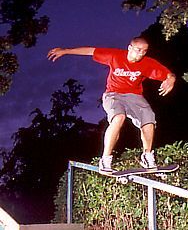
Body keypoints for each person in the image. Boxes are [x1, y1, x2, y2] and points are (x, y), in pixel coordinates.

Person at [47, 36, 176, 172]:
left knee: (149, 120)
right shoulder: (115, 55)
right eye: (138, 50)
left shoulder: (147, 63)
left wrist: (171, 79)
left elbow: (169, 74)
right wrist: (65, 51)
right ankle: (106, 159)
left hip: (134, 96)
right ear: (129, 48)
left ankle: (147, 155)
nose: (141, 54)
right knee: (119, 117)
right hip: (113, 94)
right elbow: (91, 51)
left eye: (144, 51)